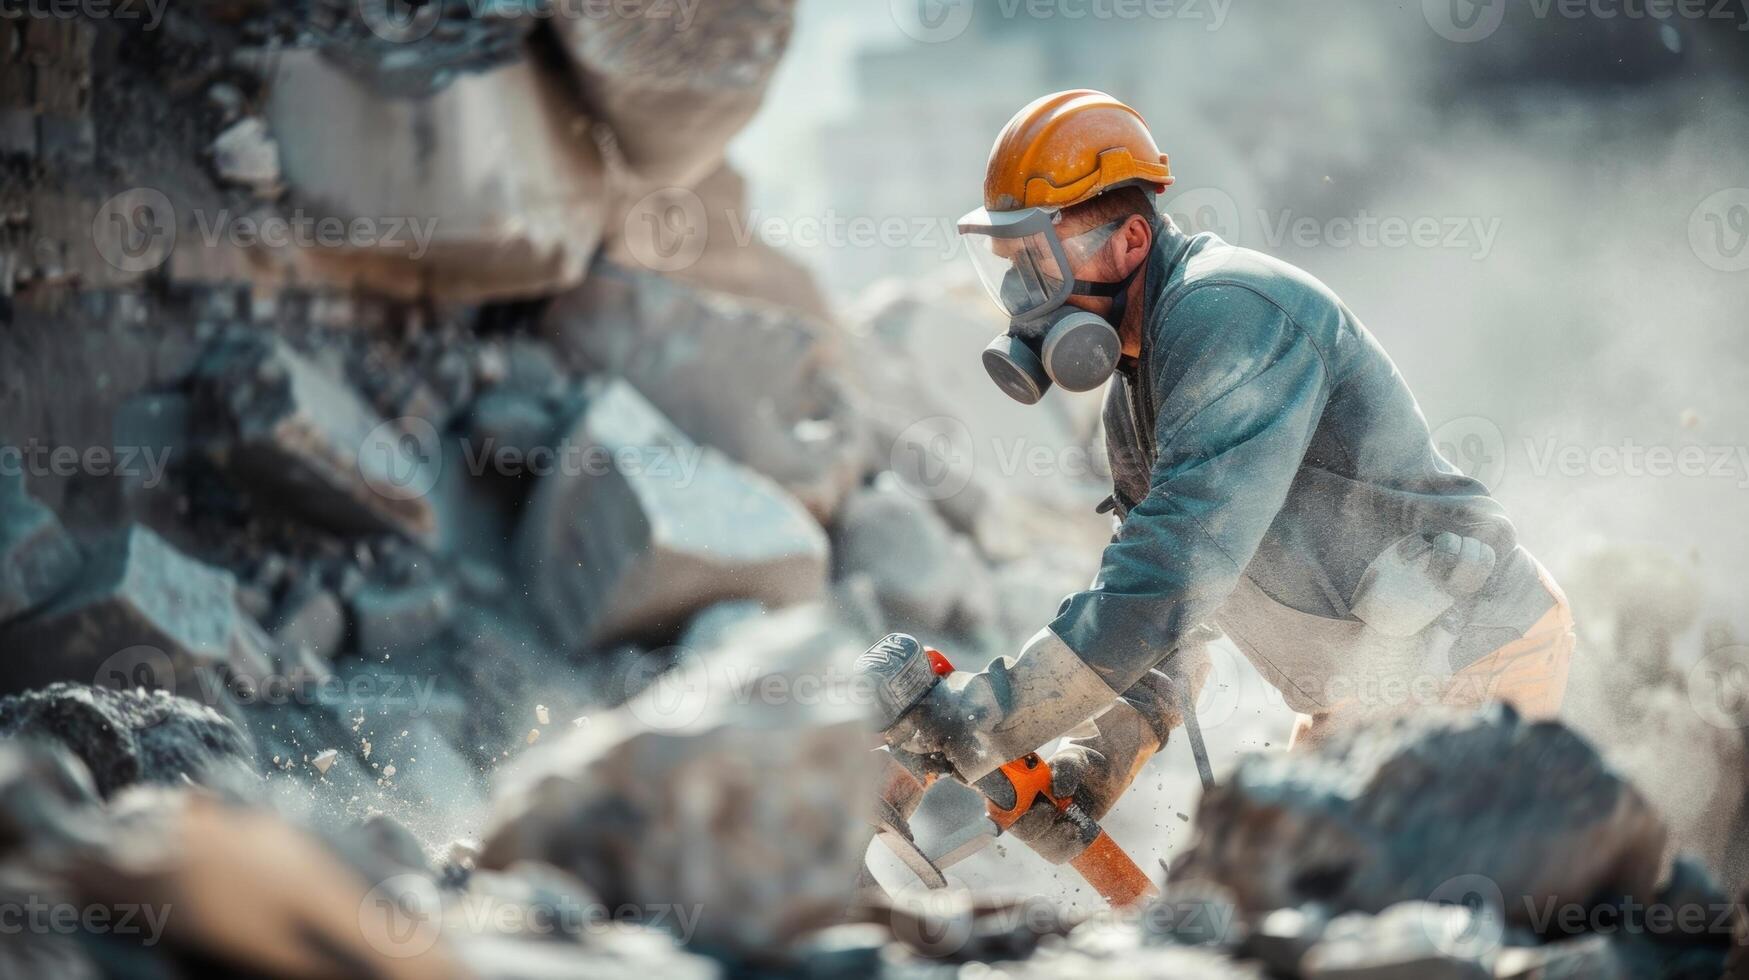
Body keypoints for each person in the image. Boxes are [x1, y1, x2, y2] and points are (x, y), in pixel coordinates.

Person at [874, 90, 1574, 856]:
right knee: (1287, 903)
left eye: (1038, 263)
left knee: (1368, 915)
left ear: (1130, 240)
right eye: (1008, 268)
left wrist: (986, 720)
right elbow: (1171, 629)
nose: (1018, 298)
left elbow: (1169, 573)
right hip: (1371, 688)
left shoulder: (1230, 315)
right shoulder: (1135, 397)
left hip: (1463, 651)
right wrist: (1091, 767)